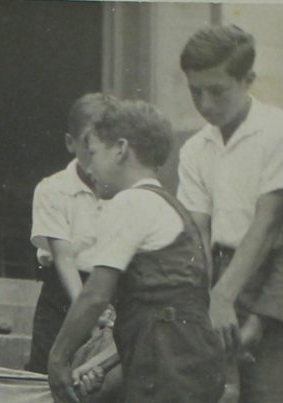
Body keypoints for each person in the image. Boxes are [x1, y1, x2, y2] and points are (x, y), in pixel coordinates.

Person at [47, 100, 224, 403]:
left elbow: (95, 296)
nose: (88, 168)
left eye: (93, 153)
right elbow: (165, 309)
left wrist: (58, 358)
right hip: (187, 361)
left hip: (164, 364)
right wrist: (100, 363)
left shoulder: (131, 202)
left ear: (120, 149)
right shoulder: (170, 206)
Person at [177, 24, 283, 403]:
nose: (205, 104)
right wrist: (209, 296)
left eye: (217, 91)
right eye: (194, 91)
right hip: (215, 276)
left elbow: (269, 223)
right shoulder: (195, 148)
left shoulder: (276, 132)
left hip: (270, 276)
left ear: (248, 79)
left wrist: (229, 300)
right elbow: (196, 233)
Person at [27, 93, 116, 375]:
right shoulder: (52, 189)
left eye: (108, 146)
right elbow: (63, 259)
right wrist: (87, 318)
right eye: (88, 146)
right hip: (63, 295)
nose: (97, 155)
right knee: (49, 375)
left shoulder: (122, 192)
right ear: (70, 143)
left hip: (109, 294)